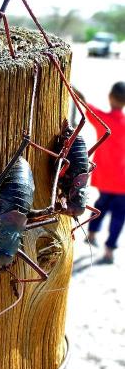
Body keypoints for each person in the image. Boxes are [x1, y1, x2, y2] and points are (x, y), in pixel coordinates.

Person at [75, 82, 125, 264]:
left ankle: (92, 234)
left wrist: (75, 90)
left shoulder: (104, 121)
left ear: (110, 97)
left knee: (100, 207)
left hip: (105, 179)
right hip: (123, 183)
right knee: (119, 217)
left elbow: (85, 105)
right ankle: (109, 252)